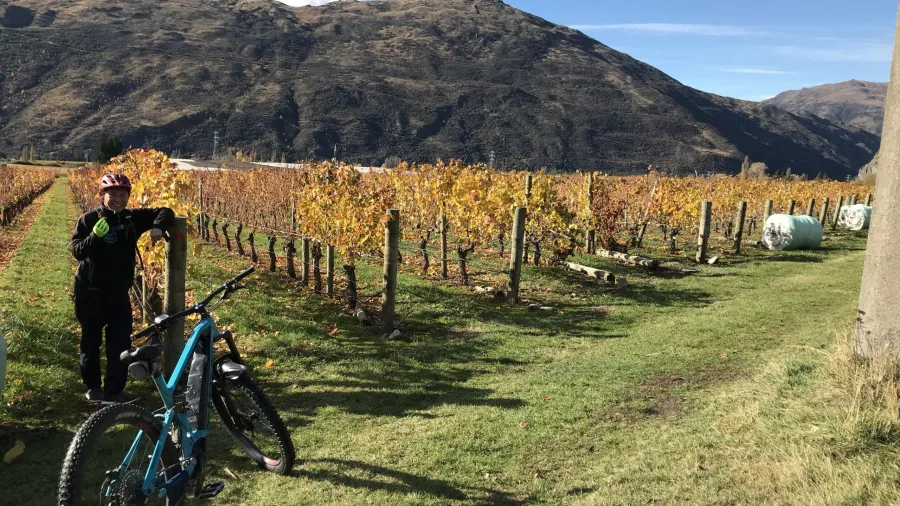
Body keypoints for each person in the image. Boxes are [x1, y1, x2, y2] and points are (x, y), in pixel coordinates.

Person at [70, 173, 174, 404]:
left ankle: (114, 392)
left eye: (122, 195)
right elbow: (77, 252)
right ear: (102, 195)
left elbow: (165, 211)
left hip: (118, 293)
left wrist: (157, 227)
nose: (118, 199)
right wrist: (95, 237)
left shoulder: (131, 218)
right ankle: (93, 388)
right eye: (113, 194)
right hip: (90, 292)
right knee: (91, 341)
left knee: (119, 343)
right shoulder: (88, 220)